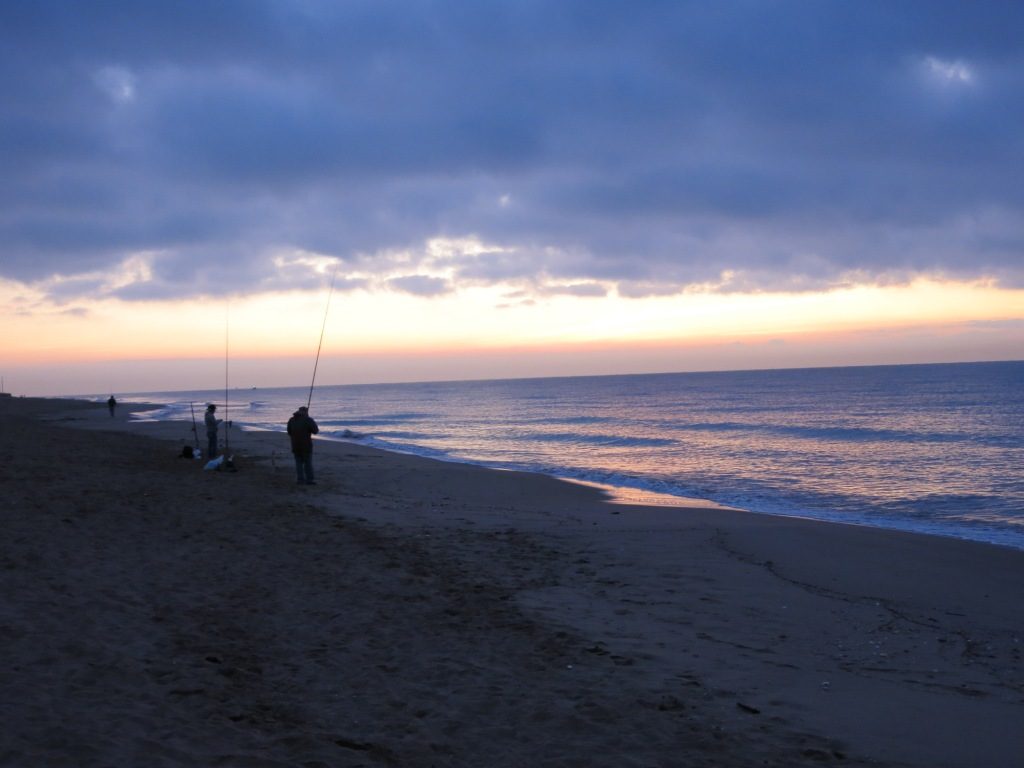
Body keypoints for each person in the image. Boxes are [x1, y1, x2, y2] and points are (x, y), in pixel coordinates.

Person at [287, 405, 320, 485]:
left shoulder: (291, 420)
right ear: (306, 412)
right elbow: (315, 431)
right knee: (307, 463)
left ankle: (300, 480)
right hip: (306, 446)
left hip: (295, 445)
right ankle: (309, 480)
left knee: (298, 463)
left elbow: (289, 432)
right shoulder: (308, 420)